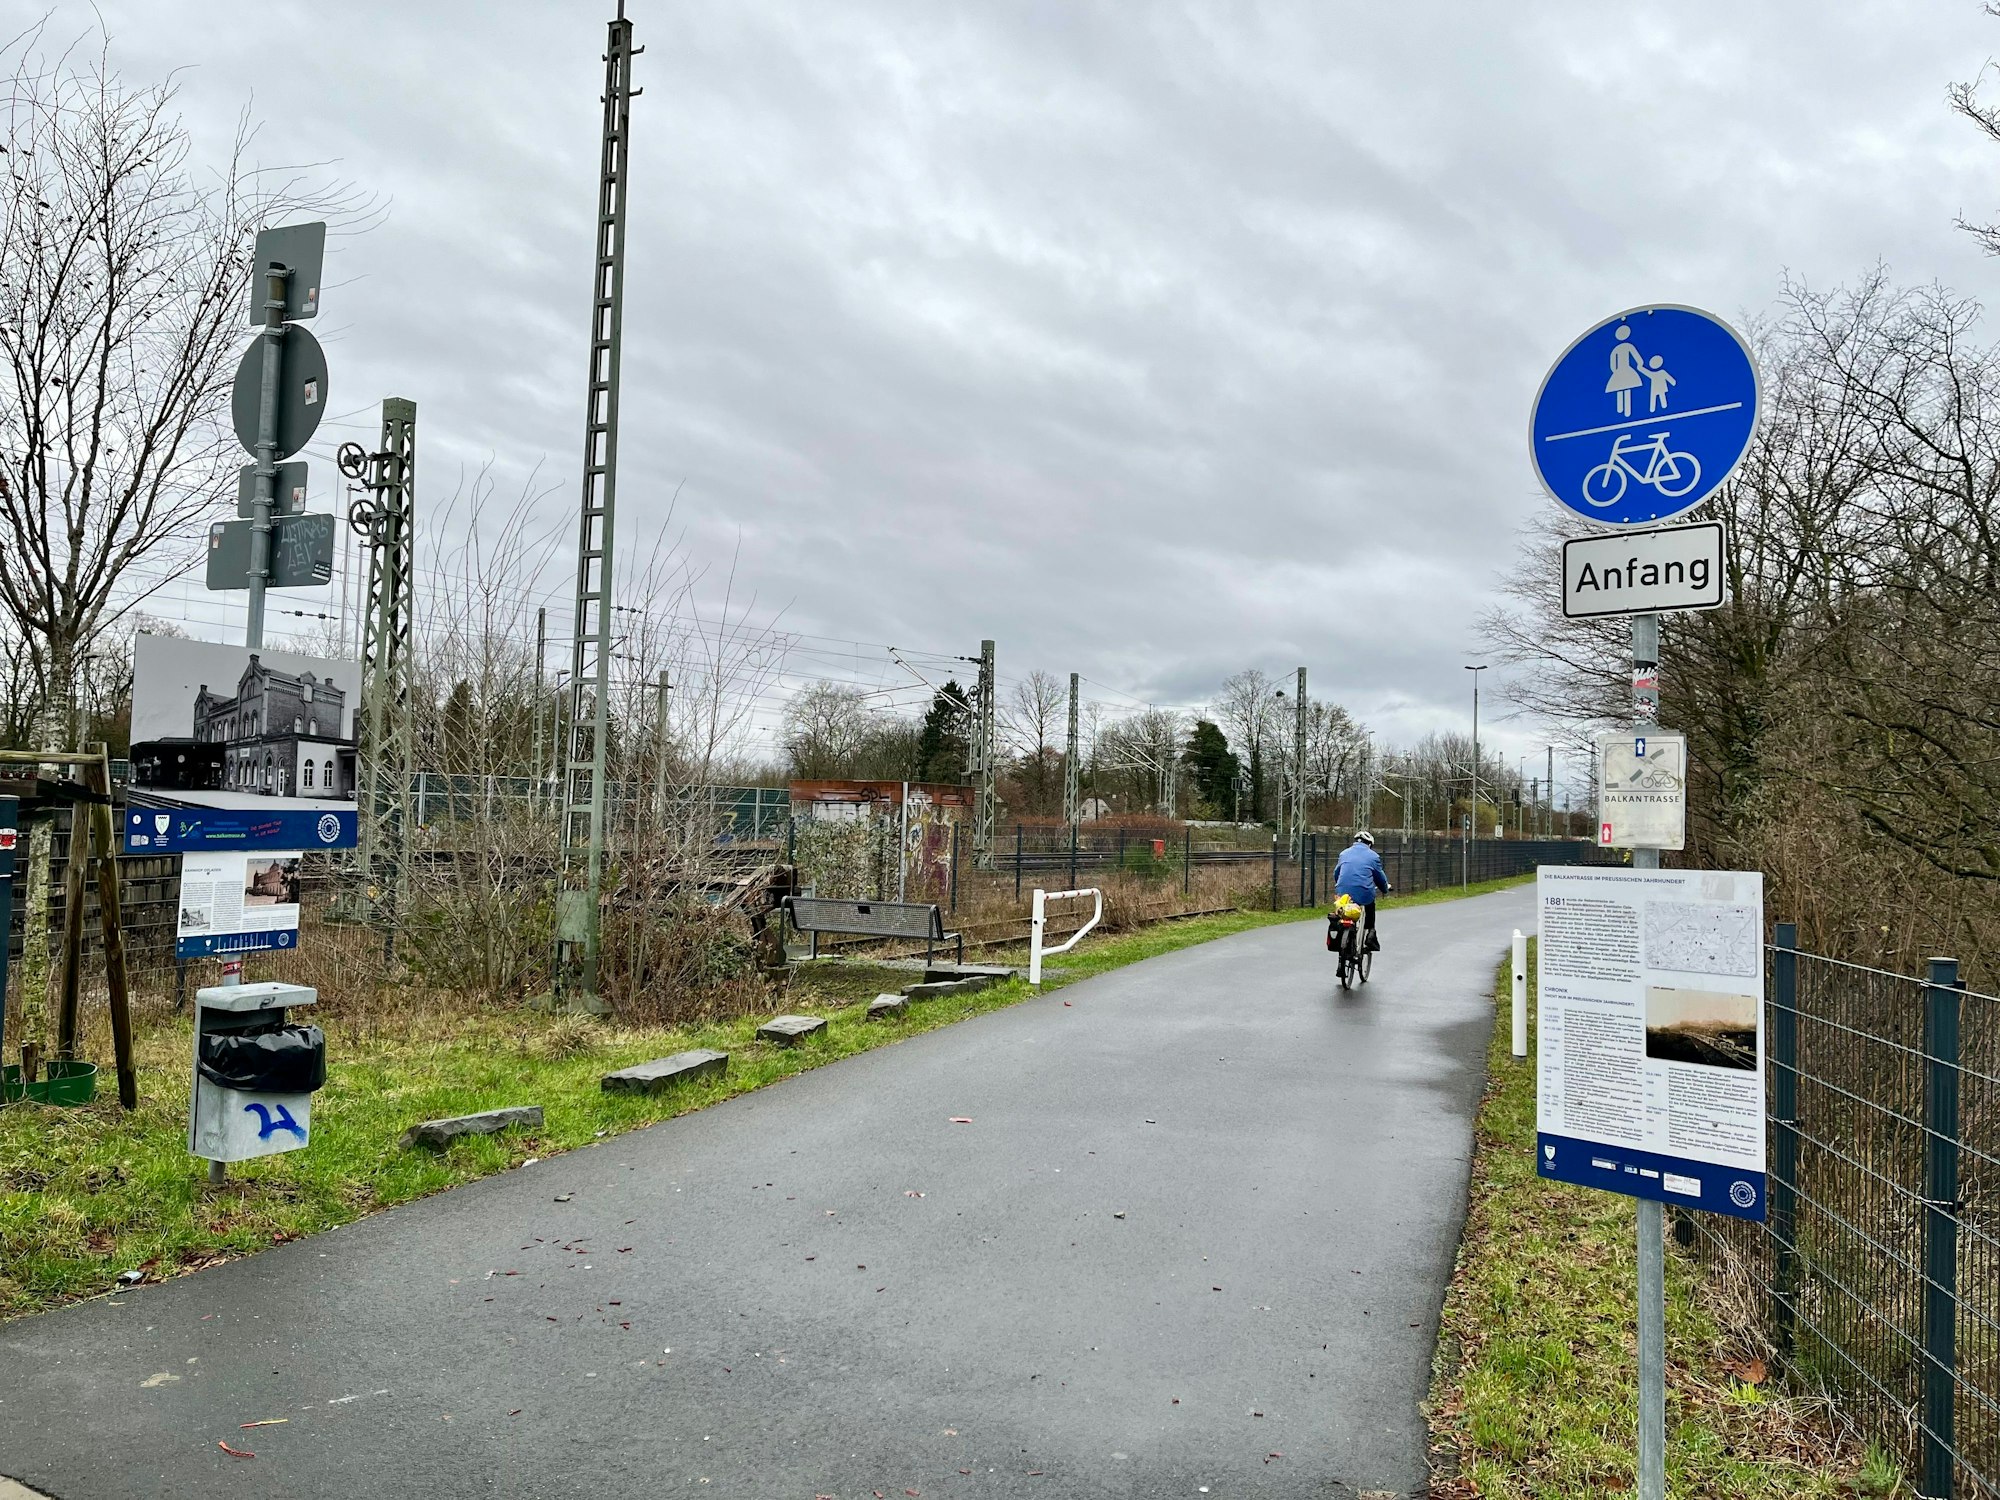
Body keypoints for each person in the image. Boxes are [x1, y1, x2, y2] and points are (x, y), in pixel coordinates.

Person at [1332, 830, 1390, 951]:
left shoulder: (1344, 853)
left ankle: (1339, 934)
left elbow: (1337, 874)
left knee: (1342, 909)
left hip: (1343, 892)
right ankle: (1370, 934)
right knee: (1370, 905)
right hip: (1363, 893)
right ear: (1369, 844)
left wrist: (1340, 886)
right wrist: (1385, 889)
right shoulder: (1373, 856)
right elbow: (1380, 878)